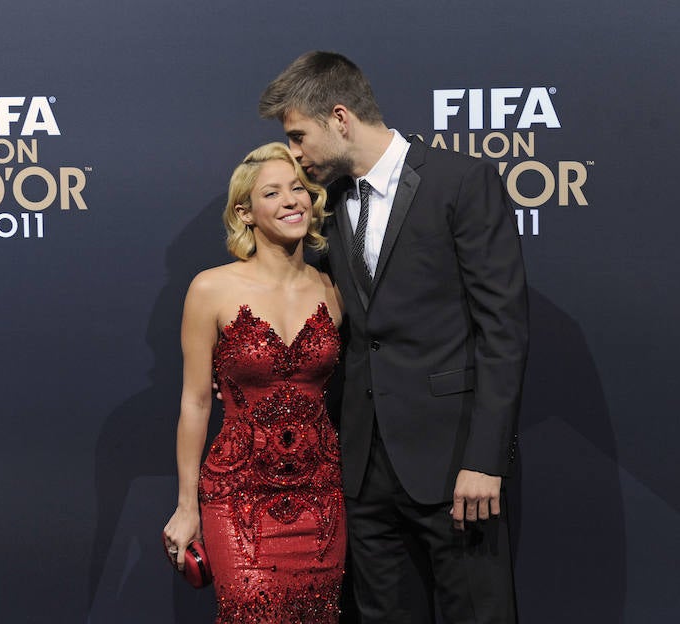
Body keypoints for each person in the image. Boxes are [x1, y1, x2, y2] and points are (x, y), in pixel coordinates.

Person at [259, 52, 529, 623]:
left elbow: (502, 331)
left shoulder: (461, 181)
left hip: (456, 465)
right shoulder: (326, 207)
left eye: (299, 136)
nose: (297, 154)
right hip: (363, 473)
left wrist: (485, 459)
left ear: (340, 117)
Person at [162, 142, 347, 622]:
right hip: (237, 495)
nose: (292, 201)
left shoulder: (334, 289)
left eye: (299, 189)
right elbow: (197, 402)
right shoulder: (211, 288)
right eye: (273, 193)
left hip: (321, 495)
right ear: (244, 212)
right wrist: (187, 508)